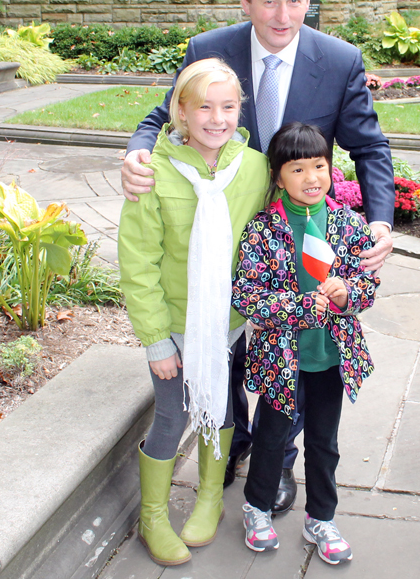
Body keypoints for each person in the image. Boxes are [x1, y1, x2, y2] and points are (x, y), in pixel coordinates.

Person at [120, 0, 394, 510]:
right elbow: (161, 114)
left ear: (307, 0)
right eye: (269, 2)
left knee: (290, 351)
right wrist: (138, 152)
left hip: (296, 237)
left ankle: (281, 459)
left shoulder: (339, 59)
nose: (283, 16)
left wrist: (381, 221)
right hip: (224, 230)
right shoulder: (209, 50)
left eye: (296, 1)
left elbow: (369, 146)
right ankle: (236, 446)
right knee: (233, 348)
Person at [118, 58, 269, 566]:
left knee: (223, 407)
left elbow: (269, 233)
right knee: (171, 415)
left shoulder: (252, 167)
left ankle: (208, 498)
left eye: (228, 106)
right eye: (203, 106)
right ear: (180, 111)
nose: (217, 117)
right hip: (175, 326)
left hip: (227, 326)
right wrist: (157, 339)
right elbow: (139, 261)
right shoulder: (153, 173)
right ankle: (154, 517)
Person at [231, 121, 380, 565]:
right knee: (272, 435)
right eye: (297, 169)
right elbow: (248, 295)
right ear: (278, 176)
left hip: (330, 356)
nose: (312, 177)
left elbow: (367, 286)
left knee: (323, 440)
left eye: (320, 165)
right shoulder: (263, 229)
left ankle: (322, 517)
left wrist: (347, 294)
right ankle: (256, 509)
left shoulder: (347, 224)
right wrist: (303, 306)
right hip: (282, 358)